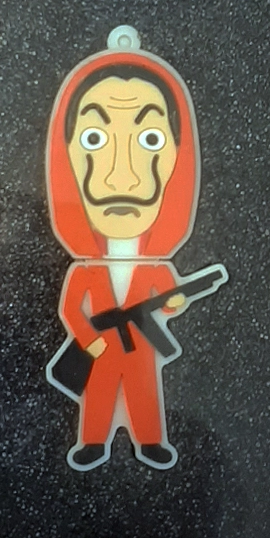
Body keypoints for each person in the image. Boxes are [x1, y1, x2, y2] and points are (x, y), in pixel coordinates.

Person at [45, 25, 226, 471]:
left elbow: (168, 293)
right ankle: (93, 443)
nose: (121, 177)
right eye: (94, 139)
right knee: (99, 396)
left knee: (145, 394)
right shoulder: (85, 269)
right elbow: (71, 310)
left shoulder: (153, 266)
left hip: (140, 346)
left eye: (151, 140)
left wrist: (177, 299)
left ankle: (150, 443)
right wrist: (90, 340)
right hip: (102, 347)